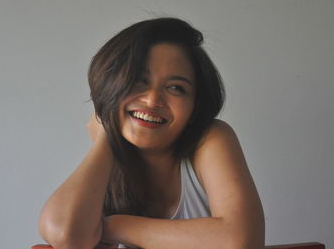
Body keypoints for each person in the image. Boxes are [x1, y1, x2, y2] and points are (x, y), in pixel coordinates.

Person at [38, 17, 265, 249]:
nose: (153, 99)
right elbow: (65, 234)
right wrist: (105, 139)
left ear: (194, 106)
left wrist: (115, 226)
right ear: (111, 86)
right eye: (138, 81)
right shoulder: (105, 166)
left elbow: (240, 241)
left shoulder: (211, 139)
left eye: (176, 88)